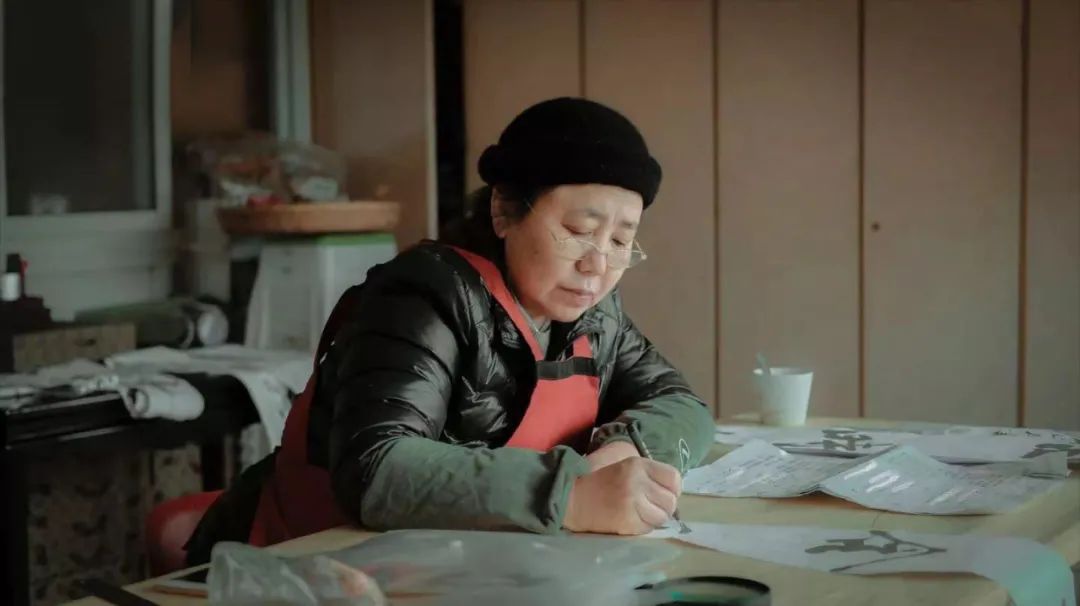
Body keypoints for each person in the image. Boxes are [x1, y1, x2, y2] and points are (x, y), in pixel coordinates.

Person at [186, 97, 714, 563]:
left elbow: (682, 404)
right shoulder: (422, 297)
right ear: (503, 210)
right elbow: (376, 467)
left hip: (453, 567)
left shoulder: (595, 316)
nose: (597, 265)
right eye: (578, 231)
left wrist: (623, 452)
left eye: (621, 242)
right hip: (297, 562)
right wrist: (570, 495)